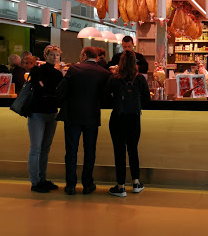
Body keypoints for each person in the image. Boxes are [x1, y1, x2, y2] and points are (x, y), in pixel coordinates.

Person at [57, 46, 110, 195]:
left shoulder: (74, 69)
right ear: (97, 57)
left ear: (84, 55)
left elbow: (61, 90)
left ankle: (70, 185)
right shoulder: (104, 73)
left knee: (71, 151)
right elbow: (106, 97)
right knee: (90, 151)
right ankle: (87, 184)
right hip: (92, 116)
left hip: (72, 115)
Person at [105, 50, 150, 197]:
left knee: (119, 151)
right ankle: (136, 182)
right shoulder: (140, 79)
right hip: (134, 117)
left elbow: (106, 97)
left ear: (121, 63)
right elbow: (146, 100)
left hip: (118, 117)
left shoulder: (114, 78)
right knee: (133, 149)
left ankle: (121, 186)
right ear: (135, 63)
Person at [27, 45, 64, 193]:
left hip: (51, 112)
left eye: (57, 55)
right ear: (46, 56)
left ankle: (42, 179)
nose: (54, 58)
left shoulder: (57, 74)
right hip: (37, 112)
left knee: (45, 149)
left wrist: (46, 90)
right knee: (36, 148)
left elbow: (47, 89)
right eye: (52, 55)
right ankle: (35, 181)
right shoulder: (38, 70)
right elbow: (40, 88)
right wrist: (49, 91)